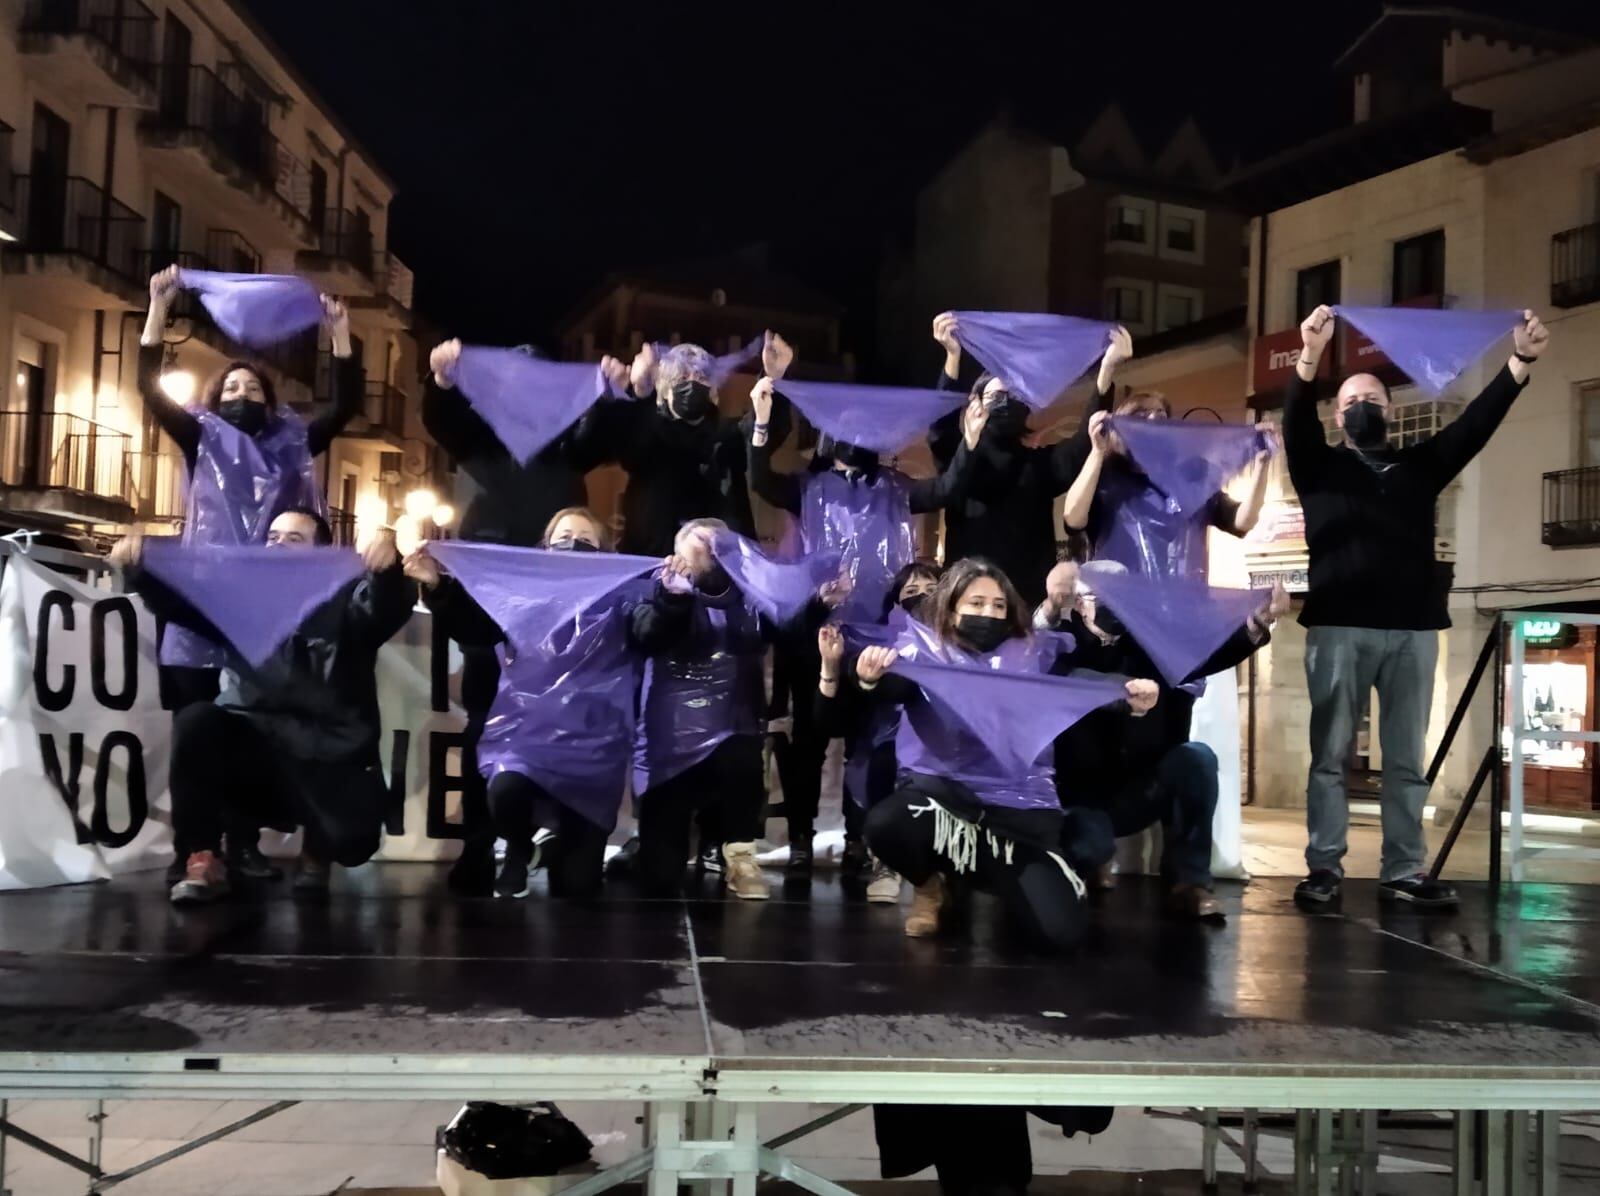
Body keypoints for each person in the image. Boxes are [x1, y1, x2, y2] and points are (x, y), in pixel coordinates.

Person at [1287, 304, 1548, 909]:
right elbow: (1295, 419)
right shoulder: (1317, 466)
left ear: (1392, 412)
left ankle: (1403, 869)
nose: (1362, 406)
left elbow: (1475, 425)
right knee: (1328, 756)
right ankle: (1323, 869)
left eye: (1373, 399)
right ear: (1336, 414)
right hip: (1338, 629)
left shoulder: (1420, 467)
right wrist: (1309, 356)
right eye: (1351, 399)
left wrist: (1519, 362)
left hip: (1411, 632)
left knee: (1406, 760)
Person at [140, 265, 360, 881]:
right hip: (202, 601)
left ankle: (242, 845)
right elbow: (148, 387)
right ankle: (199, 851)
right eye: (232, 386)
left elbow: (345, 405)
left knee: (248, 726)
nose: (243, 393)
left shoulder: (295, 443)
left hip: (266, 605)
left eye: (254, 388)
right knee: (200, 729)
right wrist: (159, 306)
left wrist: (339, 336)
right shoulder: (198, 436)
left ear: (271, 400)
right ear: (215, 399)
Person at [835, 558, 1155, 947]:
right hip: (946, 804)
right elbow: (890, 686)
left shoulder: (1033, 654)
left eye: (998, 605)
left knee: (1060, 935)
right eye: (977, 603)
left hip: (1022, 818)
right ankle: (931, 887)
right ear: (951, 610)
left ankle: (1001, 877)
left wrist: (1125, 693)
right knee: (886, 825)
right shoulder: (922, 653)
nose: (989, 612)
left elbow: (1076, 682)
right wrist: (867, 676)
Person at [747, 374, 987, 876]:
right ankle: (799, 837)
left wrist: (969, 438)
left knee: (868, 741)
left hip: (879, 637)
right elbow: (761, 478)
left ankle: (861, 838)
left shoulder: (895, 489)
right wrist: (764, 420)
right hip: (817, 634)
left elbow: (949, 487)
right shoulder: (808, 487)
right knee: (808, 743)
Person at [111, 510, 410, 904]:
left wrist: (387, 572)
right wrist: (140, 568)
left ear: (322, 554)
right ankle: (201, 856)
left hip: (329, 758)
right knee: (197, 722)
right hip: (258, 751)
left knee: (353, 843)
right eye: (272, 536)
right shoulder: (240, 599)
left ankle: (319, 849)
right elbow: (181, 603)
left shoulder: (348, 597)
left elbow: (384, 608)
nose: (278, 545)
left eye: (294, 539)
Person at [421, 339, 627, 896]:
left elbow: (602, 437)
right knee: (484, 720)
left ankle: (559, 829)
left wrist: (609, 394)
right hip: (493, 596)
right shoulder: (482, 437)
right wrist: (440, 380)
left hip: (563, 597)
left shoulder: (567, 442)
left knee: (563, 713)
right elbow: (443, 423)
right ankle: (481, 845)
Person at [409, 508, 642, 900]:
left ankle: (553, 841)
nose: (573, 544)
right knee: (505, 789)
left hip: (593, 743)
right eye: (563, 536)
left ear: (605, 551)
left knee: (578, 888)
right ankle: (521, 846)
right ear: (544, 546)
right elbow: (475, 628)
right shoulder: (522, 592)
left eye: (585, 539)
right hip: (526, 731)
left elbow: (651, 627)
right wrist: (436, 585)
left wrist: (671, 597)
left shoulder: (622, 594)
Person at [1042, 559, 1284, 920]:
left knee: (1197, 759)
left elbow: (1211, 651)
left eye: (1120, 597)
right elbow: (1044, 656)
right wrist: (1119, 692)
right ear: (1079, 603)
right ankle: (1088, 864)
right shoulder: (1063, 644)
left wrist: (1257, 621)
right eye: (1098, 596)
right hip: (1082, 796)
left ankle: (1190, 883)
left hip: (1139, 789)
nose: (1110, 605)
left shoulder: (1153, 647)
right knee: (1086, 848)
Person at [628, 519, 793, 900]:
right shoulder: (653, 587)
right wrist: (673, 598)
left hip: (734, 730)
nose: (706, 551)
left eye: (715, 546)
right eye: (696, 545)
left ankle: (735, 851)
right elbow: (647, 635)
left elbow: (778, 631)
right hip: (670, 738)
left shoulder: (752, 596)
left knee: (741, 761)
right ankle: (657, 846)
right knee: (658, 879)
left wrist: (817, 604)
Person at [929, 313, 1130, 604]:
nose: (1008, 404)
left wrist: (1107, 370)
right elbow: (940, 428)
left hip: (1027, 607)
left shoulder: (1040, 465)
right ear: (975, 403)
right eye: (999, 397)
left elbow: (1083, 443)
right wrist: (952, 356)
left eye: (1018, 398)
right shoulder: (958, 460)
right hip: (967, 602)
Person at [1063, 391, 1275, 580]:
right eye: (1141, 415)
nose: (1154, 418)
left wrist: (1262, 466)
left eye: (1161, 415)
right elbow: (1073, 518)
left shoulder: (1190, 477)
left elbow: (1243, 520)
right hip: (1119, 614)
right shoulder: (1105, 476)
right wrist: (1097, 451)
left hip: (1183, 611)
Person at [825, 560, 943, 901]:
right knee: (881, 762)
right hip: (887, 734)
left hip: (940, 737)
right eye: (911, 591)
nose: (921, 597)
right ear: (895, 600)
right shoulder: (877, 638)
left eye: (930, 590)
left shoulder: (956, 636)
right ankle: (884, 861)